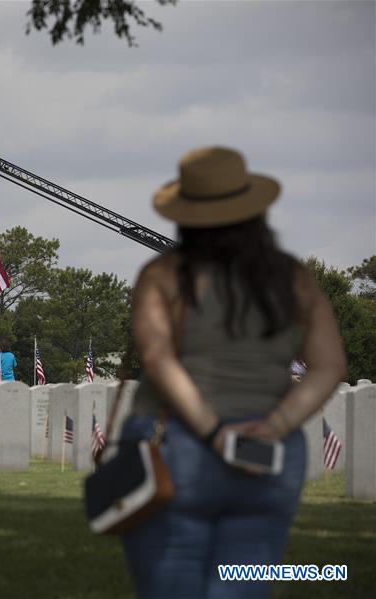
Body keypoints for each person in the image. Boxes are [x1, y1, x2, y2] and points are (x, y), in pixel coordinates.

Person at [120, 147, 346, 598]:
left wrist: (214, 432)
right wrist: (275, 427)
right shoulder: (293, 278)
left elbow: (159, 359)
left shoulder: (162, 275)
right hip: (269, 451)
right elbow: (329, 366)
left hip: (178, 446)